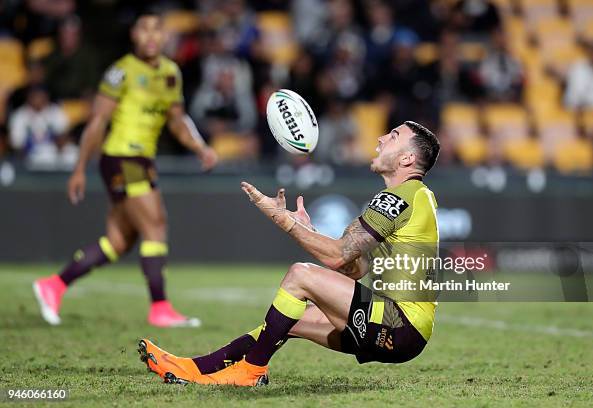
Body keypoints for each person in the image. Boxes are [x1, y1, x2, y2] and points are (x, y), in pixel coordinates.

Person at [138, 121, 440, 386]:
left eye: (394, 135)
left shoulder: (402, 197)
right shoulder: (413, 197)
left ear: (407, 158)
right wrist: (308, 229)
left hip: (398, 324)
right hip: (399, 330)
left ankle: (252, 371)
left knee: (301, 274)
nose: (381, 138)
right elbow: (355, 267)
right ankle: (194, 368)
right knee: (285, 323)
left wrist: (285, 222)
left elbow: (337, 257)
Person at [33, 10, 218, 327]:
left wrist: (200, 147)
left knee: (119, 242)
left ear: (164, 36)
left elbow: (177, 120)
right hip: (122, 157)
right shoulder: (121, 72)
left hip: (141, 159)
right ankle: (160, 307)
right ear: (134, 36)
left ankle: (54, 285)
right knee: (156, 224)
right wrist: (79, 168)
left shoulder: (171, 73)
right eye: (143, 29)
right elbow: (97, 121)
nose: (149, 36)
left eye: (156, 30)